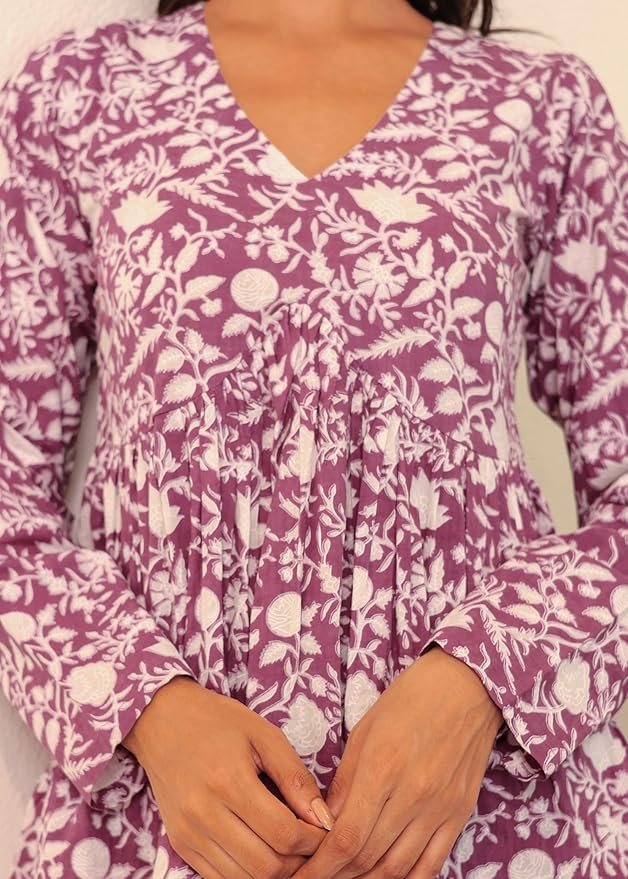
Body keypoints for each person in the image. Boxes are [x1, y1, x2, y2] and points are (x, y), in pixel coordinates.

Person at [0, 0, 626, 876]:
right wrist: (149, 708)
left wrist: (485, 679)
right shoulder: (79, 93)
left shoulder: (540, 105)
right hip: (155, 831)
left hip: (499, 825)